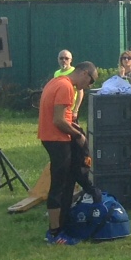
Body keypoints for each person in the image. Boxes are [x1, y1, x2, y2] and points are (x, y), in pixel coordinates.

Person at [38, 62, 98, 244]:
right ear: (85, 73)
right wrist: (78, 135)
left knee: (67, 181)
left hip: (50, 137)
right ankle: (55, 233)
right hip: (57, 139)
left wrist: (75, 129)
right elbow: (58, 120)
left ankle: (62, 224)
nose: (89, 86)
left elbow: (64, 117)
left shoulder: (56, 81)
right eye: (91, 81)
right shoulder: (66, 87)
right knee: (60, 186)